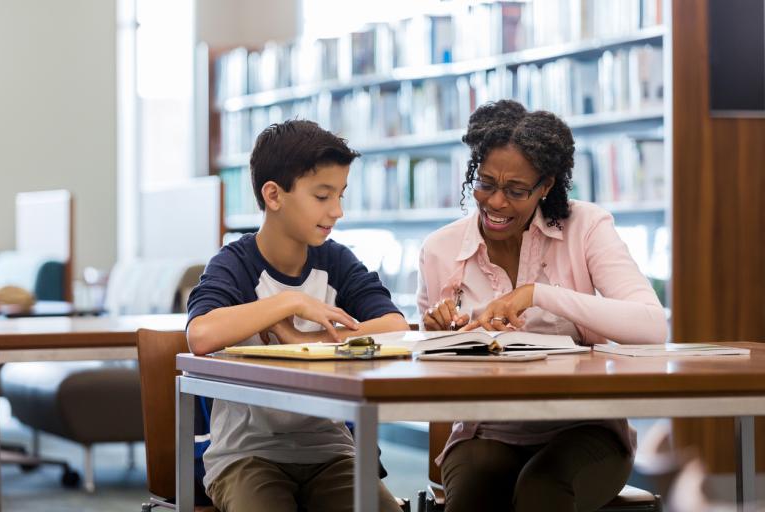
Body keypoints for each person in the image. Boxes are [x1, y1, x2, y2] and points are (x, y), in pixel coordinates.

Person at [417, 99, 667, 512]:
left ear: (546, 186)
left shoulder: (585, 227)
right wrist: (438, 337)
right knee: (472, 497)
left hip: (587, 429)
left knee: (542, 491)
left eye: (516, 191)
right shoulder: (440, 249)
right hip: (486, 431)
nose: (496, 202)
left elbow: (651, 325)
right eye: (485, 183)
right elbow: (427, 369)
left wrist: (538, 294)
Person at [187, 119, 408, 512]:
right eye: (322, 196)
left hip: (331, 452)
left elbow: (394, 326)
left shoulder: (336, 260)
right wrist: (286, 304)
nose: (337, 211)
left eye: (340, 195)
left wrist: (310, 342)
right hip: (246, 455)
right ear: (274, 195)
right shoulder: (233, 265)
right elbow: (200, 335)